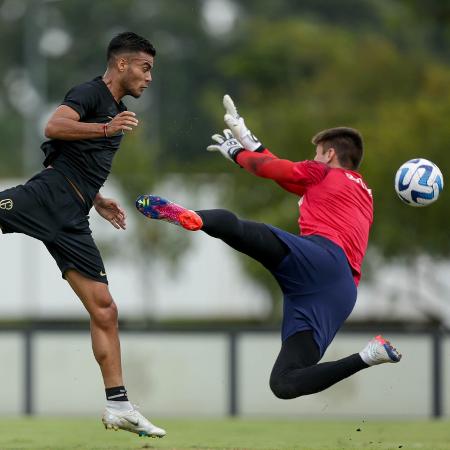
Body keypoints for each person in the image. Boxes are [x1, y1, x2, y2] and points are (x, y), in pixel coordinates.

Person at [135, 95, 401, 400]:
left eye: (316, 154)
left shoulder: (323, 173)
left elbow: (271, 170)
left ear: (329, 154)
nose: (312, 160)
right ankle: (369, 356)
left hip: (322, 259)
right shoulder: (363, 193)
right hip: (339, 292)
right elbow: (284, 174)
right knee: (284, 383)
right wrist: (247, 138)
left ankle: (195, 217)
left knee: (241, 230)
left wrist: (237, 152)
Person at [0, 32, 165, 437]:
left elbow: (75, 155)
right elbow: (55, 126)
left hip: (73, 216)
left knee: (105, 310)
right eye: (145, 68)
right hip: (47, 197)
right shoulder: (91, 93)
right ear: (122, 64)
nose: (148, 77)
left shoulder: (115, 109)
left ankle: (119, 406)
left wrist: (96, 198)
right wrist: (107, 129)